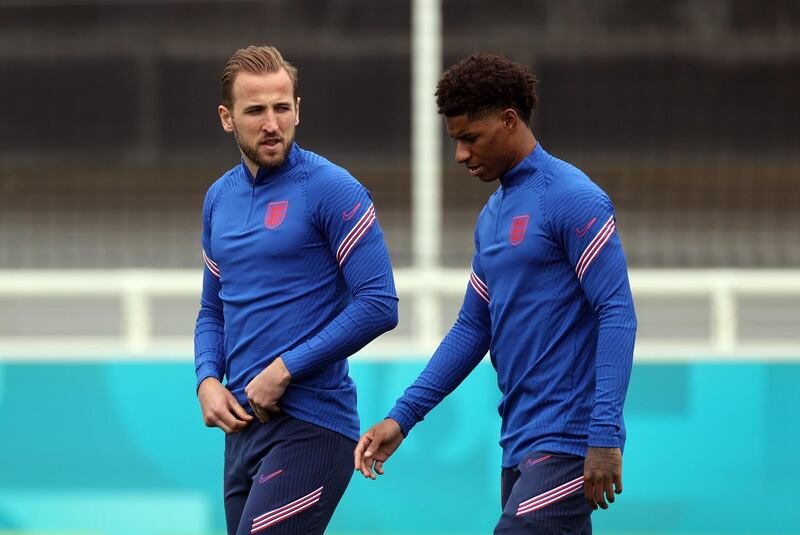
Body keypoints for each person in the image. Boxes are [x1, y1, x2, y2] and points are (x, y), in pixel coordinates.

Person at [354, 53, 637, 534]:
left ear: (509, 121)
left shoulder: (573, 197)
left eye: (469, 138)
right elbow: (472, 328)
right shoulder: (493, 216)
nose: (461, 154)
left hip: (568, 439)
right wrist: (402, 419)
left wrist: (605, 435)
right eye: (455, 141)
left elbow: (617, 312)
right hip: (519, 439)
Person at [194, 45, 398, 535]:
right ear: (227, 118)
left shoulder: (332, 188)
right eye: (256, 110)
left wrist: (285, 369)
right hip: (242, 430)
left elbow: (378, 304)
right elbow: (211, 311)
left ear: (298, 110)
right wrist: (206, 380)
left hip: (313, 425)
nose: (271, 123)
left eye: (282, 108)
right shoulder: (218, 198)